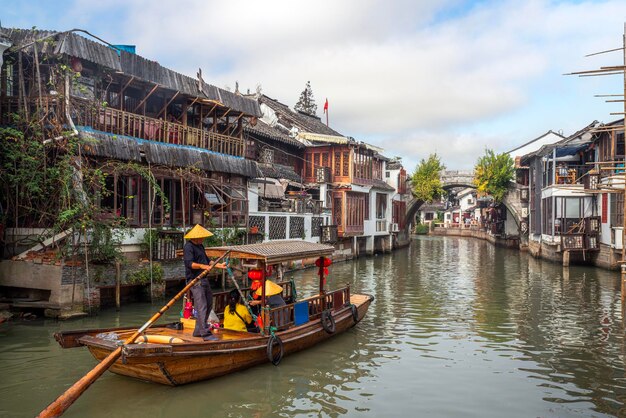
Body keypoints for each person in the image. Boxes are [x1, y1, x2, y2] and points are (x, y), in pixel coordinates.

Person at [183, 224, 225, 340]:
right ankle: (205, 334)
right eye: (201, 237)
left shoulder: (200, 246)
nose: (203, 239)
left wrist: (219, 265)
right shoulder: (188, 247)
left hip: (204, 279)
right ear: (196, 237)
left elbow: (207, 261)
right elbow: (189, 264)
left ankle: (198, 330)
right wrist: (203, 266)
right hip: (195, 280)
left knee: (209, 303)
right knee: (201, 306)